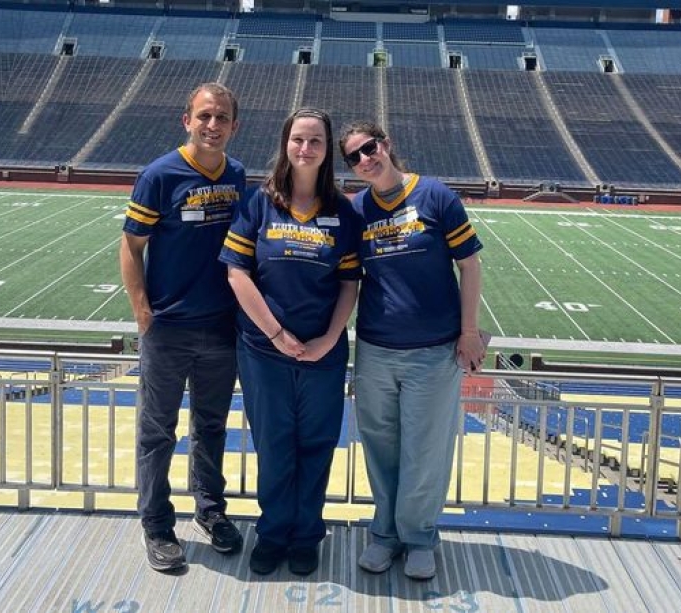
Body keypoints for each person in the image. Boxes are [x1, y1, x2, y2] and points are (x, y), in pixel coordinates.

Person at [338, 121, 486, 581]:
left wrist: (468, 331)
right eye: (354, 157)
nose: (365, 159)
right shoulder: (357, 210)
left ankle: (419, 536)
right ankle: (385, 535)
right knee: (381, 448)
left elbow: (470, 264)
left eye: (370, 147)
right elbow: (348, 280)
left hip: (432, 350)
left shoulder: (436, 195)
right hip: (376, 349)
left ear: (387, 144)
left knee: (424, 451)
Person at [219, 108, 361, 576]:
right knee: (274, 444)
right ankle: (273, 530)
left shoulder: (343, 211)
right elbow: (237, 273)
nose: (305, 149)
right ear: (285, 144)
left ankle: (306, 534)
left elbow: (348, 284)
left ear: (326, 151)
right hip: (263, 352)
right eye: (298, 139)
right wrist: (276, 334)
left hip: (322, 353)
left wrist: (329, 337)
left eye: (316, 141)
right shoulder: (260, 202)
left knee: (317, 444)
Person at [119, 82, 245, 572]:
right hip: (169, 329)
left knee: (211, 427)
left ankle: (210, 511)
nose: (212, 126)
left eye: (222, 118)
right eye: (204, 116)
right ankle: (156, 522)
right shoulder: (160, 175)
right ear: (186, 120)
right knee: (158, 432)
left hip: (220, 327)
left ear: (234, 126)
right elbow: (131, 246)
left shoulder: (235, 174)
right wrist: (142, 312)